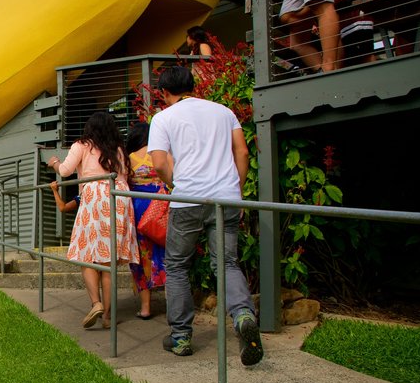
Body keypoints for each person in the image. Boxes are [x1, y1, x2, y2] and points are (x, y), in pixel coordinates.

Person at [147, 64, 263, 366]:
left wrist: (177, 184)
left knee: (176, 266)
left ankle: (182, 337)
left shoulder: (162, 118)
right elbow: (243, 153)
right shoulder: (223, 112)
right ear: (192, 85)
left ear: (163, 92)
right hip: (225, 199)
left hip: (187, 200)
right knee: (226, 262)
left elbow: (159, 163)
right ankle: (242, 315)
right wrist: (233, 187)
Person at [47, 111, 140, 330]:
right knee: (108, 263)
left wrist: (54, 164)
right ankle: (107, 317)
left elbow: (66, 171)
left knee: (85, 254)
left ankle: (96, 303)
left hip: (94, 197)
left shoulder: (81, 145)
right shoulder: (117, 148)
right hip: (119, 198)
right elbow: (125, 175)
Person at [126, 122, 168, 320]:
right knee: (168, 252)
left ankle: (145, 308)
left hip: (138, 209)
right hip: (160, 207)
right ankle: (174, 304)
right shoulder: (159, 154)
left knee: (141, 257)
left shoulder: (128, 160)